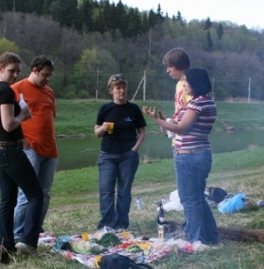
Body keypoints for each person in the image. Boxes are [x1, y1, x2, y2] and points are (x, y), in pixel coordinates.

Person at [143, 68, 219, 245]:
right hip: (200, 154)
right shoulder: (207, 101)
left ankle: (196, 239)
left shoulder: (197, 104)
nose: (184, 84)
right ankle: (210, 236)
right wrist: (163, 122)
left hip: (189, 157)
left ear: (195, 83)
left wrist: (154, 120)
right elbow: (177, 127)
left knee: (189, 199)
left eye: (187, 81)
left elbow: (180, 128)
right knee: (198, 197)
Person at [0, 51, 44, 262]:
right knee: (36, 195)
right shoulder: (6, 91)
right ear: (0, 68)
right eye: (11, 71)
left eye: (18, 71)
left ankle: (5, 245)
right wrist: (24, 115)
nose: (15, 75)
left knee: (7, 199)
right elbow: (9, 123)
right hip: (9, 150)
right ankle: (28, 242)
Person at [11, 55, 57, 238]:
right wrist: (19, 139)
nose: (47, 78)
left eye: (50, 75)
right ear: (34, 70)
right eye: (44, 74)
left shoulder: (49, 92)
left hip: (50, 149)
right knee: (26, 194)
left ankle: (35, 230)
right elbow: (6, 119)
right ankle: (17, 233)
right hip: (30, 150)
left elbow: (50, 118)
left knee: (44, 193)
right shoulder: (16, 89)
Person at [94, 74, 147, 231]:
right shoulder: (105, 109)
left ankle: (121, 225)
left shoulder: (133, 109)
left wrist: (134, 149)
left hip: (128, 156)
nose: (122, 90)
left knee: (124, 192)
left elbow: (142, 132)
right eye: (118, 88)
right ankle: (107, 226)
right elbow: (96, 133)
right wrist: (102, 128)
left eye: (123, 87)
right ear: (111, 90)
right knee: (106, 191)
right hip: (107, 155)